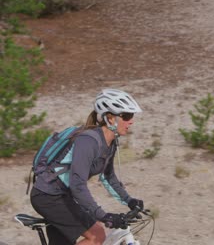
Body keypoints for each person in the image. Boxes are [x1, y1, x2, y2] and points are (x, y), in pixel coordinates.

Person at [30, 88, 145, 245]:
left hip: (63, 197)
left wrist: (129, 200)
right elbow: (78, 185)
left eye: (132, 116)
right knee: (96, 236)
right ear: (110, 118)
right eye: (126, 116)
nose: (131, 121)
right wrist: (104, 216)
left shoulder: (110, 143)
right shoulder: (88, 141)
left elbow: (108, 177)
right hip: (48, 196)